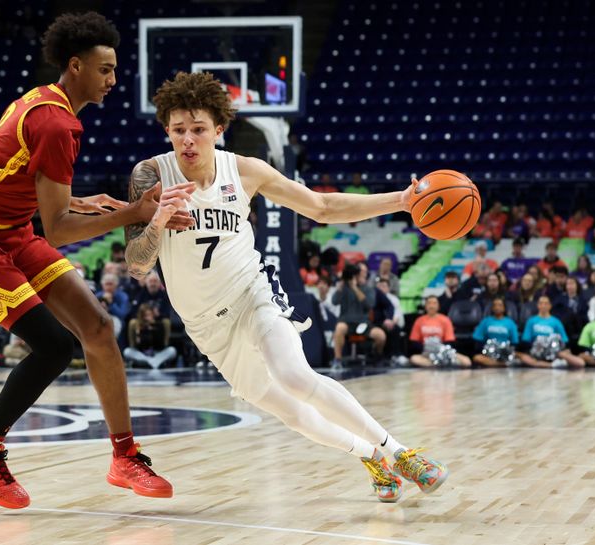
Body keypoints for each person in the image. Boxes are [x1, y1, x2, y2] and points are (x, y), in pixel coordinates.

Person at [123, 71, 448, 503]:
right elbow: (136, 266)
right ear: (166, 129)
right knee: (292, 414)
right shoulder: (150, 176)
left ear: (218, 129)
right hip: (206, 326)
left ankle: (400, 452)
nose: (188, 140)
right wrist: (158, 220)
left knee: (295, 375)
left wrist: (401, 201)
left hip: (250, 293)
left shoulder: (244, 170)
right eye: (178, 130)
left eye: (198, 129)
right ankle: (371, 455)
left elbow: (322, 206)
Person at [0, 13, 193, 508]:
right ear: (75, 65)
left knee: (97, 327)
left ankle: (125, 456)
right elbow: (60, 231)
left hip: (12, 231)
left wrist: (81, 200)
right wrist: (136, 212)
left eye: (116, 70)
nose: (114, 80)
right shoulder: (55, 122)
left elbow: (27, 189)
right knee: (52, 348)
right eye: (105, 70)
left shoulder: (43, 102)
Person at [332, 263, 388, 364]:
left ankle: (377, 355)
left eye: (362, 272)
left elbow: (369, 305)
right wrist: (340, 288)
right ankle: (337, 359)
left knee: (381, 336)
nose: (360, 274)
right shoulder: (344, 287)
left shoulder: (368, 289)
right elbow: (334, 301)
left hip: (363, 323)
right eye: (359, 272)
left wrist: (355, 288)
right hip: (347, 322)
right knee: (339, 328)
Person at [517, 295, 585, 368]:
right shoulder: (531, 321)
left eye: (546, 303)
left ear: (550, 306)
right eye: (541, 303)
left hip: (553, 351)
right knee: (522, 357)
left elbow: (564, 340)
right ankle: (552, 365)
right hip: (536, 350)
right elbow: (526, 340)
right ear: (538, 306)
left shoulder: (556, 322)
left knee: (580, 363)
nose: (543, 306)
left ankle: (554, 362)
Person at [408, 296, 471, 368]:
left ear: (438, 306)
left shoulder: (445, 320)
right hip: (426, 353)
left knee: (467, 361)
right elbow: (414, 341)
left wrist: (439, 348)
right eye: (429, 303)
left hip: (443, 351)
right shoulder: (419, 320)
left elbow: (450, 340)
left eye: (434, 303)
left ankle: (441, 363)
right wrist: (426, 347)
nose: (431, 306)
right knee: (414, 359)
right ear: (425, 306)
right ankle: (438, 364)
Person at [123, 303, 177, 369]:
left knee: (172, 350)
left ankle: (153, 362)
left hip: (157, 353)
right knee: (127, 351)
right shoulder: (137, 326)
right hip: (142, 354)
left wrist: (153, 329)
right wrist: (140, 333)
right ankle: (151, 362)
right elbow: (138, 346)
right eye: (146, 315)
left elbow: (161, 345)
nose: (148, 317)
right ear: (142, 316)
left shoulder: (159, 324)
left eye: (150, 314)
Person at [472, 296, 521, 367]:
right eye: (495, 305)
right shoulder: (486, 321)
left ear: (504, 308)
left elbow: (514, 342)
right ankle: (503, 364)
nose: (497, 307)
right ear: (492, 308)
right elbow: (478, 339)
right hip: (489, 352)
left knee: (520, 356)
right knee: (477, 358)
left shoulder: (510, 322)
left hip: (505, 353)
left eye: (500, 305)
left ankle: (497, 364)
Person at [551, 277, 589, 342]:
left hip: (578, 327)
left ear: (577, 285)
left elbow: (585, 315)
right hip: (563, 326)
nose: (570, 286)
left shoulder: (583, 300)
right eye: (568, 284)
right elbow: (555, 313)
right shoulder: (559, 299)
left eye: (572, 284)